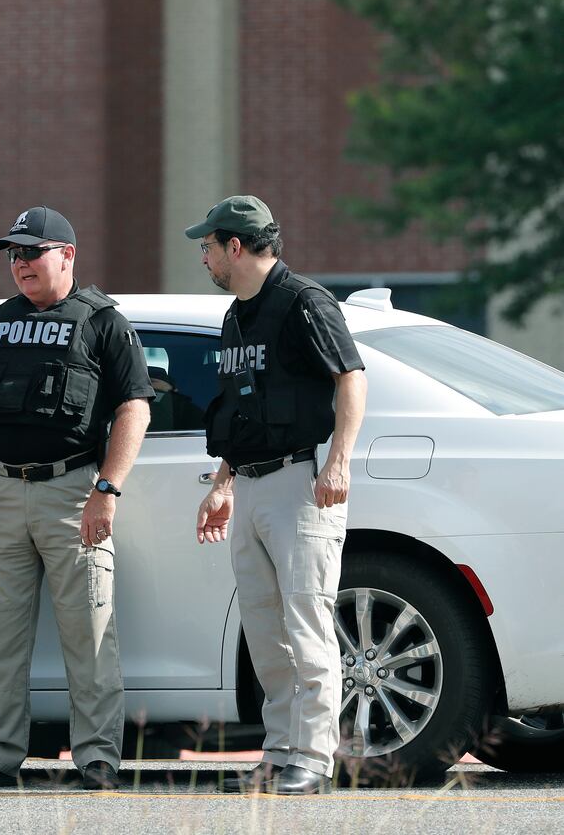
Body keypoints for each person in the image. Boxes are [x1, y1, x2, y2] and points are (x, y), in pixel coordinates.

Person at [0, 207, 152, 791]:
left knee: (89, 632)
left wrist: (107, 491)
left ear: (68, 255)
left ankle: (97, 758)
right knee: (1, 639)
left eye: (31, 253)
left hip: (72, 493)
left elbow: (135, 406)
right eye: (13, 255)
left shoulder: (103, 321)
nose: (20, 264)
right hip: (2, 493)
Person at [186, 196, 367, 796]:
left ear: (235, 246)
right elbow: (244, 409)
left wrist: (338, 461)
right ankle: (280, 750)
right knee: (265, 632)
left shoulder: (304, 302)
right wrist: (222, 481)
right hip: (253, 484)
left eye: (208, 246)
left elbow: (351, 377)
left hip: (300, 481)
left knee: (307, 622)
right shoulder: (237, 316)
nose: (204, 257)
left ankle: (313, 759)